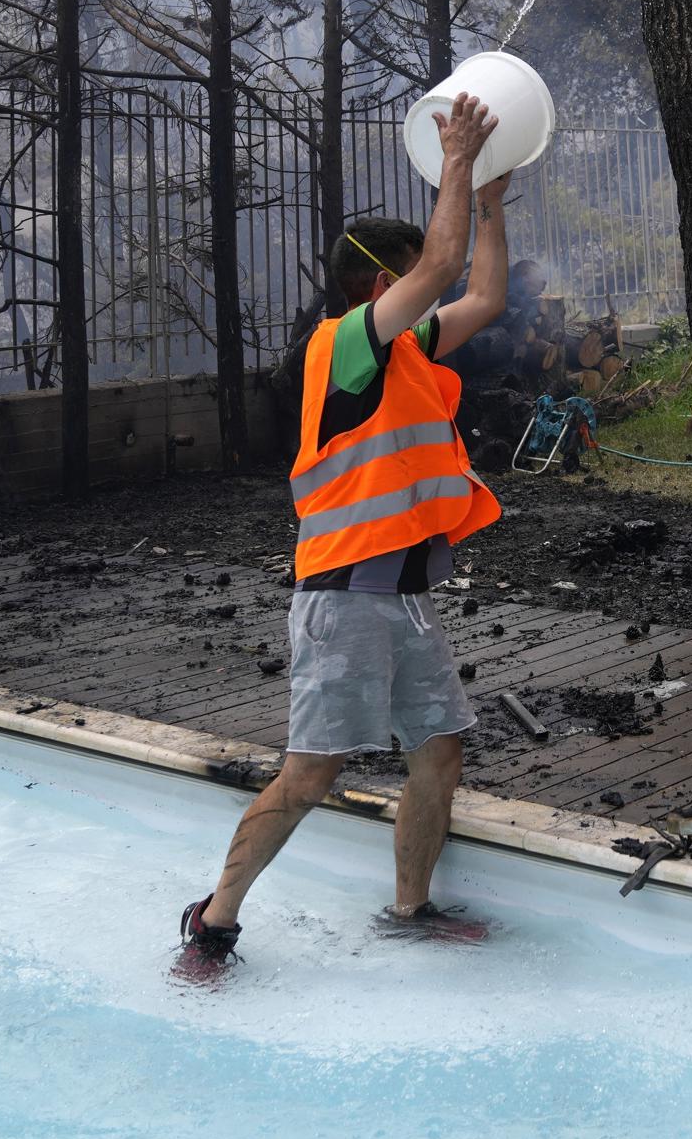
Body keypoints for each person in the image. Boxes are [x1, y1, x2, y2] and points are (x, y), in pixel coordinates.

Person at [179, 92, 513, 966]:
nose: (423, 280)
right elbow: (443, 267)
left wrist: (487, 208)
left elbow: (482, 292)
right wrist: (456, 162)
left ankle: (411, 911)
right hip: (342, 600)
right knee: (311, 774)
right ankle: (213, 920)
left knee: (440, 749)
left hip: (404, 603)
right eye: (407, 274)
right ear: (378, 283)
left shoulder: (406, 348)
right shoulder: (346, 345)